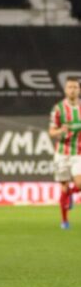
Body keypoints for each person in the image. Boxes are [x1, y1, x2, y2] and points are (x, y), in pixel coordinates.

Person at [48, 77, 81, 230]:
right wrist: (61, 130)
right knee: (64, 187)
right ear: (65, 89)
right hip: (62, 153)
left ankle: (70, 195)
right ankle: (64, 220)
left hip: (78, 153)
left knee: (79, 184)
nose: (72, 90)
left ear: (79, 89)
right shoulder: (58, 109)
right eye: (70, 87)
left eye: (75, 87)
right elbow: (51, 132)